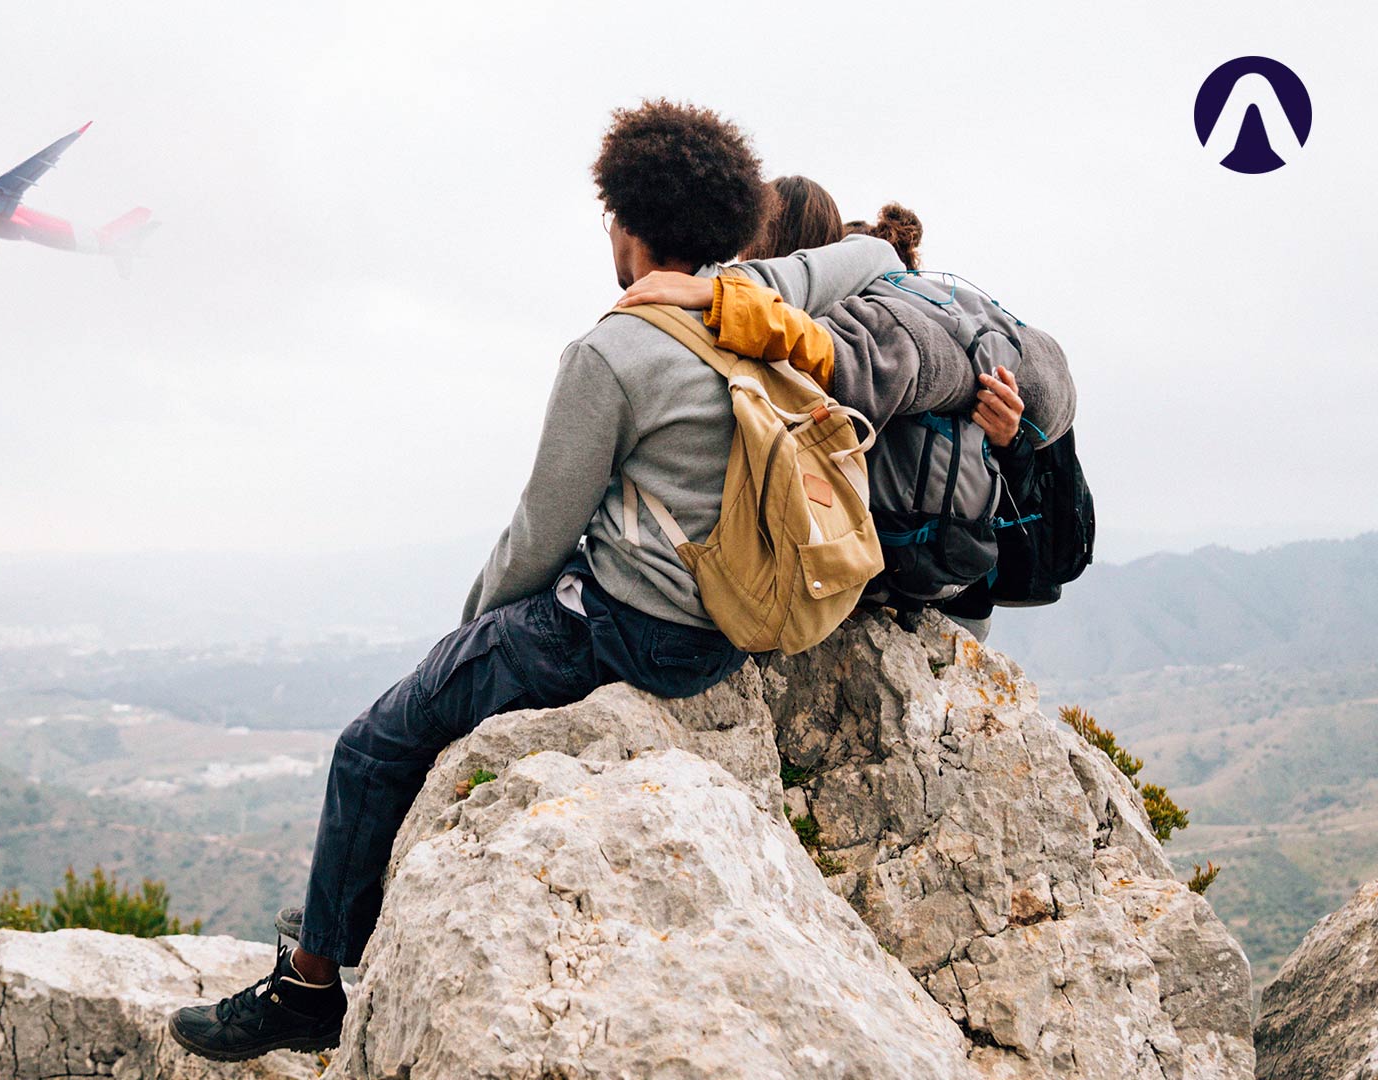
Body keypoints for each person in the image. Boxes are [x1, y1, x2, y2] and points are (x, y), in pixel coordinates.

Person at [166, 99, 903, 1063]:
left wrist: (463, 640)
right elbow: (879, 259)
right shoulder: (761, 297)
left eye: (610, 220)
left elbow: (540, 536)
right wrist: (726, 293)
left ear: (629, 227)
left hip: (623, 627)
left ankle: (308, 990)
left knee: (373, 742)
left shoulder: (610, 352)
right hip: (726, 631)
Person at [624, 197, 1034, 641]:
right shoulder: (959, 337)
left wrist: (722, 295)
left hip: (863, 583)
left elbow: (820, 355)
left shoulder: (852, 327)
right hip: (956, 585)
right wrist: (1013, 442)